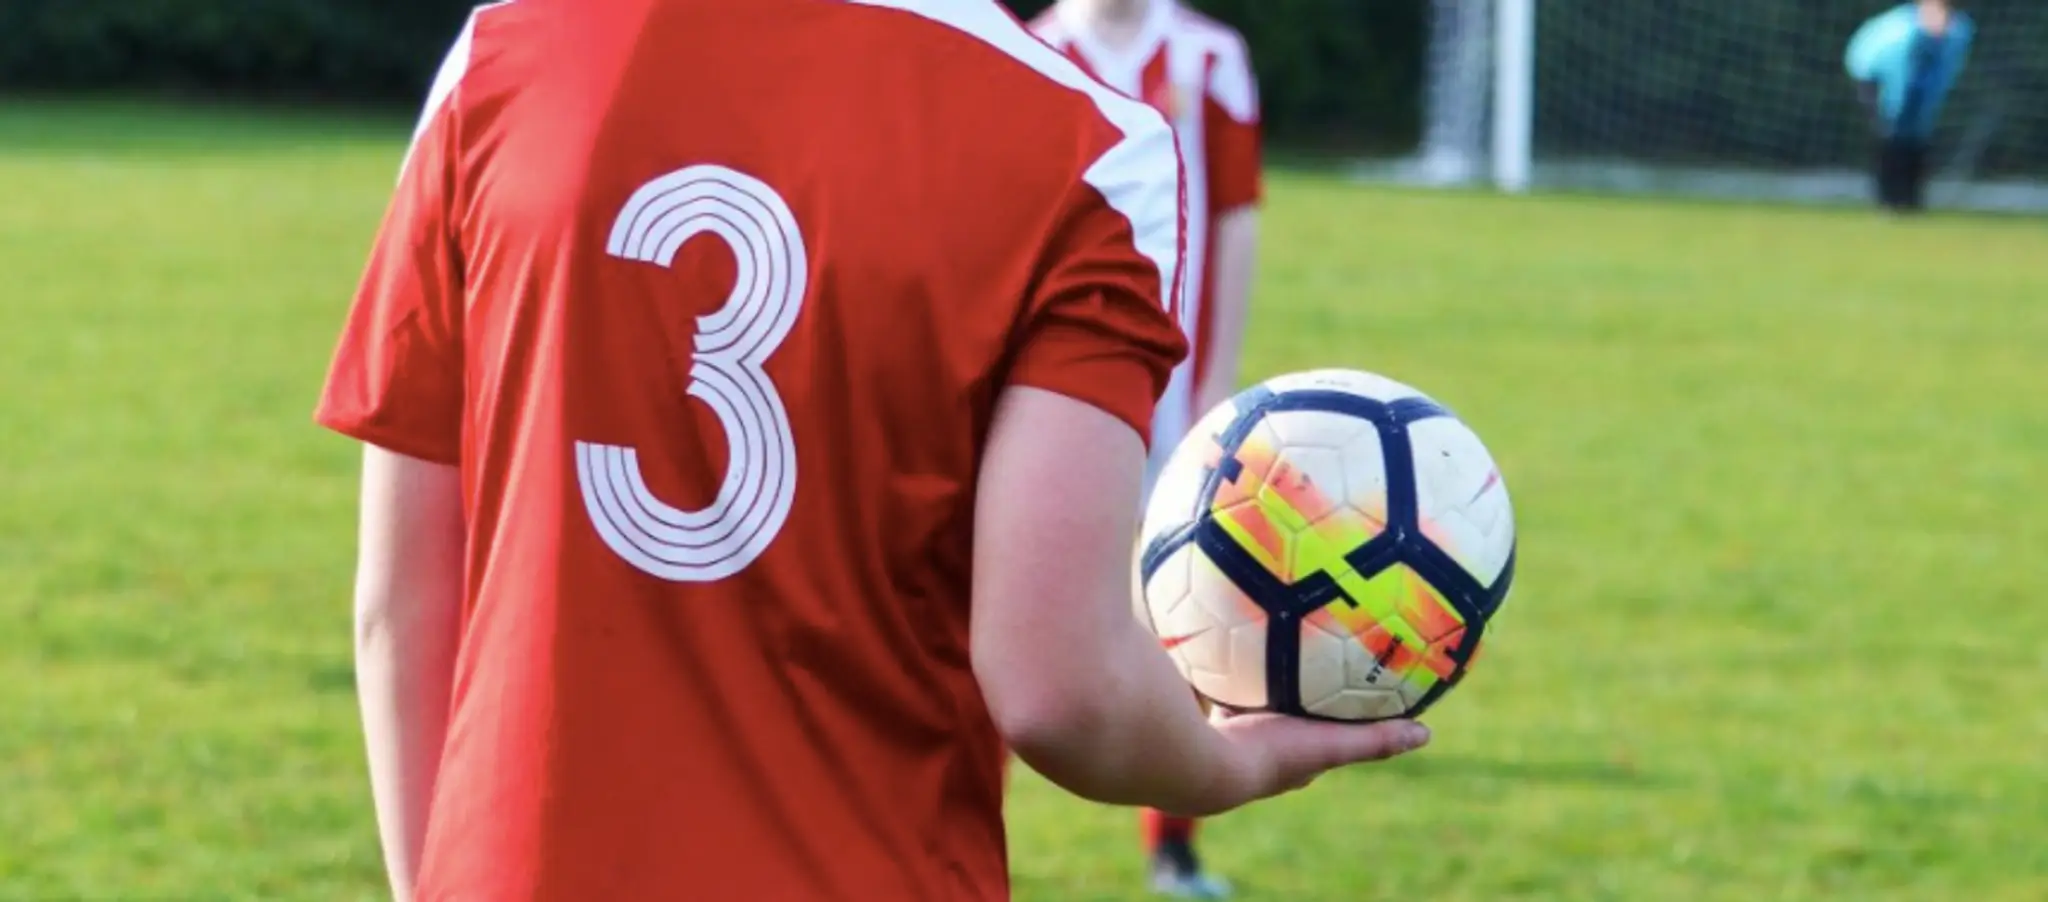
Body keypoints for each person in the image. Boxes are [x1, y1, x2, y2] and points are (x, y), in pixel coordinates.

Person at [315, 1, 1427, 900]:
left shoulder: (503, 51)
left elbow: (403, 591)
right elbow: (1054, 687)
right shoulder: (1086, 146)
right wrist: (1225, 763)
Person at [1031, 0, 1263, 896]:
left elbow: (1236, 215)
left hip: (1182, 387)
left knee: (1186, 614)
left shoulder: (1212, 57)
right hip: (1056, 386)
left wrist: (1220, 380)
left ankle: (1173, 848)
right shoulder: (1033, 49)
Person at [1845, 0, 1975, 213]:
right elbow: (1890, 77)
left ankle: (1911, 200)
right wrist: (1893, 108)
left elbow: (1944, 71)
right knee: (1890, 134)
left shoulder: (1958, 32)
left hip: (1920, 87)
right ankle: (1888, 200)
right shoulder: (1900, 35)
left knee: (1917, 137)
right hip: (1875, 79)